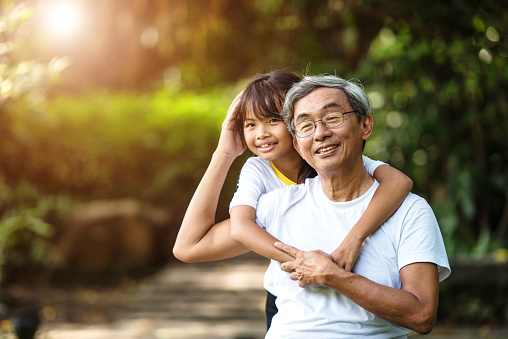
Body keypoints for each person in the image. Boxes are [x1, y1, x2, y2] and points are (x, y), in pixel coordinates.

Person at [172, 70, 413, 328]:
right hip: (289, 301)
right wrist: (224, 151)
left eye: (272, 120)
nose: (261, 133)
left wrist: (353, 240)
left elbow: (399, 182)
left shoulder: (334, 158)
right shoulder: (259, 171)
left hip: (351, 299)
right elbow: (214, 237)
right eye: (250, 124)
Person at [251, 74, 451, 338]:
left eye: (332, 118)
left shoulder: (410, 211)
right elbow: (190, 243)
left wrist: (333, 276)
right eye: (306, 125)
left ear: (365, 126)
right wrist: (225, 151)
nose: (320, 133)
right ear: (298, 146)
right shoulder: (279, 204)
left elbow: (422, 315)